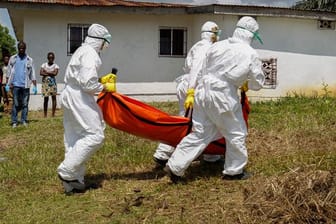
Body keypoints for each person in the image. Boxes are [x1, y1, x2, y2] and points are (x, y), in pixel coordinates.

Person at [164, 16, 265, 183]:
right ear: (251, 35)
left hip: (202, 92)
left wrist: (193, 90)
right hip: (223, 94)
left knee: (200, 133)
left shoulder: (217, 46)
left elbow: (201, 69)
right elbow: (258, 83)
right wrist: (246, 82)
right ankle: (234, 172)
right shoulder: (249, 52)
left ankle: (175, 166)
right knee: (236, 132)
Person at [153, 21, 222, 167]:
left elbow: (187, 66)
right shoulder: (205, 47)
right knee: (195, 123)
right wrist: (192, 90)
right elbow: (196, 68)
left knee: (188, 119)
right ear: (212, 34)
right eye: (217, 33)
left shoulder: (197, 45)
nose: (218, 37)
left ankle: (210, 154)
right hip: (194, 87)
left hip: (189, 85)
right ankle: (165, 154)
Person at [57, 23, 114, 195]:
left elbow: (82, 77)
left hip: (70, 93)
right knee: (95, 135)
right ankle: (67, 171)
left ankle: (74, 183)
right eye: (105, 42)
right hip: (79, 96)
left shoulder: (82, 50)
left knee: (74, 138)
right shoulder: (91, 54)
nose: (106, 46)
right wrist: (104, 88)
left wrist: (102, 80)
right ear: (99, 40)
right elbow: (88, 83)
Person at [6, 41, 37, 128]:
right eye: (20, 48)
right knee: (15, 104)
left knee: (25, 104)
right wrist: (8, 84)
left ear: (25, 48)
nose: (21, 49)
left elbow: (33, 73)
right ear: (18, 48)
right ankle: (14, 121)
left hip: (25, 85)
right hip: (15, 85)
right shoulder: (13, 58)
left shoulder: (29, 60)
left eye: (23, 48)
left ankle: (23, 120)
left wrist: (34, 86)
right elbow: (9, 72)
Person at [40, 52, 59, 117]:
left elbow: (55, 73)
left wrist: (46, 71)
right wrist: (51, 72)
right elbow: (41, 73)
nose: (51, 59)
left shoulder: (56, 66)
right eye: (50, 58)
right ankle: (45, 115)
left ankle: (53, 114)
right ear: (47, 58)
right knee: (46, 99)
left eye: (52, 58)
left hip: (52, 84)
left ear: (54, 58)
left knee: (54, 98)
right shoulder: (43, 64)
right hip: (45, 84)